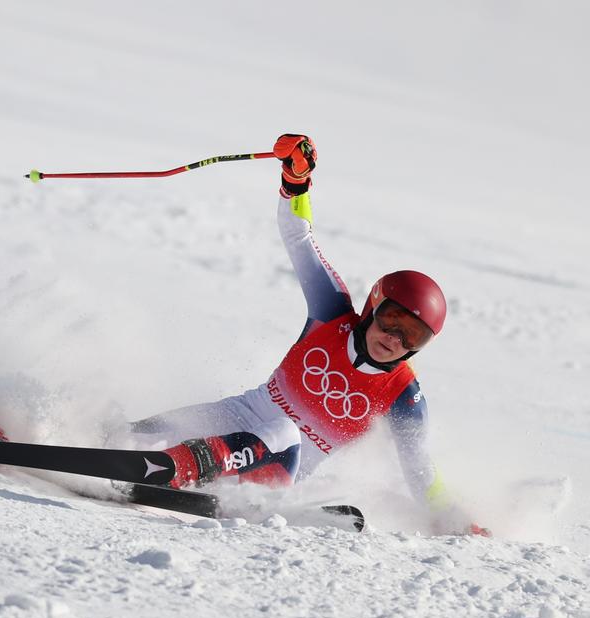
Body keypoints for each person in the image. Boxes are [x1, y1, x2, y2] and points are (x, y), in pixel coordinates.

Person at [124, 133, 486, 536]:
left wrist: (456, 521)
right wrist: (296, 181)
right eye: (391, 322)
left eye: (412, 338)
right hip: (236, 417)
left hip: (273, 472)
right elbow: (299, 238)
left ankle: (177, 469)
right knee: (135, 435)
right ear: (373, 306)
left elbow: (421, 474)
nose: (395, 341)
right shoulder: (331, 314)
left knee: (283, 432)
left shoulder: (403, 397)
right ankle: (125, 452)